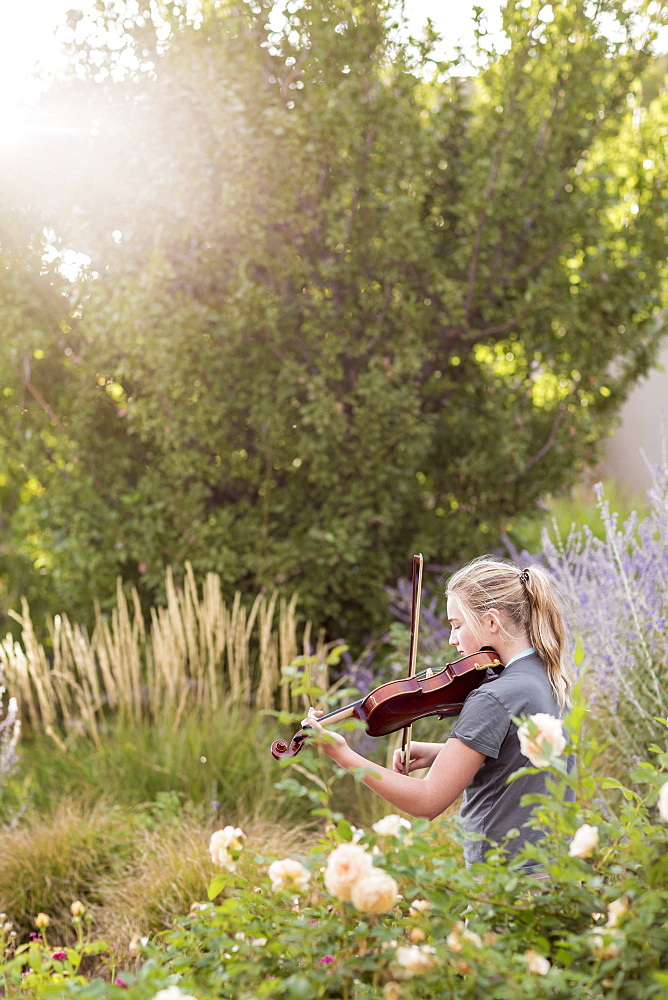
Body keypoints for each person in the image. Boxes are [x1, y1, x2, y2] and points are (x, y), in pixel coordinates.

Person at [303, 556, 573, 868]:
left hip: (507, 883)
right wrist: (440, 754)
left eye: (457, 625)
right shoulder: (549, 676)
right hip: (556, 871)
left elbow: (427, 801)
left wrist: (343, 755)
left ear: (491, 622)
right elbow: (518, 753)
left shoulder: (494, 696)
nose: (451, 639)